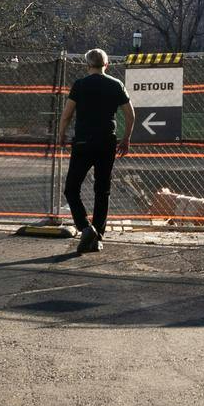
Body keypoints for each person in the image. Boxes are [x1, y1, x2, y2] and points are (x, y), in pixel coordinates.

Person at [55, 48, 134, 253]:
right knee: (102, 189)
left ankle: (85, 227)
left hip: (83, 142)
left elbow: (67, 114)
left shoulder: (80, 85)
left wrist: (61, 133)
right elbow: (130, 114)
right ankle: (98, 235)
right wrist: (126, 138)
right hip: (106, 142)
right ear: (106, 64)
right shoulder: (116, 84)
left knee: (72, 188)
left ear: (87, 65)